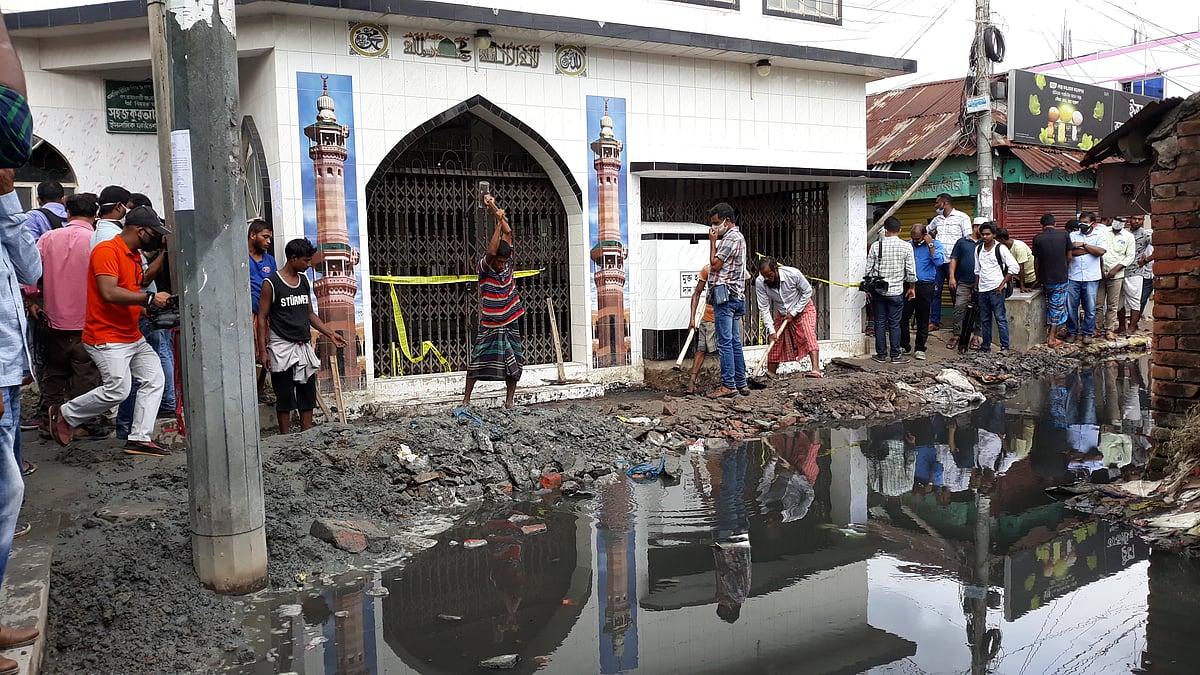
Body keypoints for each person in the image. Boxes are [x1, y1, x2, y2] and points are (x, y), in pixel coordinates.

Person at [47, 206, 173, 456]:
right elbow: (109, 292)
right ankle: (64, 413)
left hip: (130, 334)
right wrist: (148, 300)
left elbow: (131, 291)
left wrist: (154, 310)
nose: (156, 236)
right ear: (140, 230)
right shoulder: (107, 250)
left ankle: (139, 438)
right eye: (154, 232)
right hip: (106, 336)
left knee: (154, 378)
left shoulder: (134, 255)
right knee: (118, 389)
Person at [256, 238, 345, 434]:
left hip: (303, 344)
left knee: (307, 393)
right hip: (281, 346)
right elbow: (262, 318)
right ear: (293, 258)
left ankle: (307, 435)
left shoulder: (304, 281)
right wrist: (263, 351)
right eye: (305, 261)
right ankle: (285, 438)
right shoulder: (271, 284)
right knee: (285, 395)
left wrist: (330, 333)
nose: (309, 264)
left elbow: (310, 313)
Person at [34, 193, 102, 424]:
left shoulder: (48, 238)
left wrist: (31, 301)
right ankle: (81, 422)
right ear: (95, 215)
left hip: (53, 318)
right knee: (85, 373)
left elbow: (28, 275)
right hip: (88, 319)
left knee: (54, 371)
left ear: (68, 213)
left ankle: (48, 417)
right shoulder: (97, 241)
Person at [462, 194, 526, 409]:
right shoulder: (486, 266)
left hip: (510, 320)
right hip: (490, 323)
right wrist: (498, 222)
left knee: (514, 360)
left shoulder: (508, 261)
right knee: (479, 359)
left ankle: (509, 401)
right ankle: (466, 399)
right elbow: (491, 250)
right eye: (499, 262)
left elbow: (509, 233)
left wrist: (493, 208)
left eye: (503, 262)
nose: (501, 266)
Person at [705, 202, 749, 398]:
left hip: (726, 296)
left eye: (716, 223)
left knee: (725, 342)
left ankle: (728, 385)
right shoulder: (738, 238)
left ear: (727, 220)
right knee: (734, 342)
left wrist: (712, 242)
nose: (714, 227)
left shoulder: (730, 238)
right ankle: (741, 383)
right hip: (736, 296)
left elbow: (715, 265)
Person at [755, 256, 821, 377]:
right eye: (763, 275)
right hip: (783, 313)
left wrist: (794, 312)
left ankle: (816, 370)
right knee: (775, 341)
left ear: (776, 269)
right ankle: (771, 375)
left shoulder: (793, 274)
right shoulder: (760, 282)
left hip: (803, 307)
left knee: (807, 332)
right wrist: (771, 330)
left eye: (769, 275)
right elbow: (764, 307)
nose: (766, 278)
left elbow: (807, 292)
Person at [865, 216, 916, 364]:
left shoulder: (876, 246)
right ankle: (895, 355)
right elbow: (911, 272)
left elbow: (868, 271)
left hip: (878, 291)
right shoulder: (906, 247)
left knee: (879, 322)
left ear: (885, 230)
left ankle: (881, 355)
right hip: (896, 292)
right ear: (899, 230)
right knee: (895, 323)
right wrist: (912, 287)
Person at [901, 222, 944, 360]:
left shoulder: (936, 244)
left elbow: (939, 262)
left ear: (924, 235)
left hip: (925, 285)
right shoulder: (908, 245)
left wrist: (930, 245)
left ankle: (920, 348)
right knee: (904, 316)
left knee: (923, 317)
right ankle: (904, 345)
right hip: (908, 284)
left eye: (918, 238)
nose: (915, 241)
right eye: (913, 238)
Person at [973, 222, 1017, 353]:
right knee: (985, 319)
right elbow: (977, 270)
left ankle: (1005, 347)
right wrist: (975, 288)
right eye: (983, 234)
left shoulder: (1001, 248)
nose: (985, 236)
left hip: (996, 289)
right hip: (983, 290)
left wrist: (1002, 284)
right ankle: (985, 346)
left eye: (988, 234)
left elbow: (1014, 266)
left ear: (994, 235)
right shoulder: (978, 249)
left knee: (1000, 318)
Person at [929, 193, 971, 331]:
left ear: (944, 203)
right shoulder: (937, 220)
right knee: (935, 292)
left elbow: (968, 239)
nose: (935, 206)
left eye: (937, 203)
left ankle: (958, 325)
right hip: (938, 262)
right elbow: (926, 231)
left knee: (956, 293)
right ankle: (935, 322)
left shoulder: (962, 217)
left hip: (955, 263)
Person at [1031, 213, 1072, 347]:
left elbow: (1036, 261)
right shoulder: (1064, 235)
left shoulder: (1037, 238)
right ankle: (1051, 338)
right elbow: (1070, 256)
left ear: (1041, 225)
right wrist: (1062, 267)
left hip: (1045, 279)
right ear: (1055, 223)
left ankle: (1050, 333)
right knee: (1057, 307)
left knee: (1051, 306)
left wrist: (1038, 278)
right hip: (1060, 278)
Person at [1066, 211, 1106, 345]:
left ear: (1093, 223)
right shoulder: (1072, 235)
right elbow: (1070, 252)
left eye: (1086, 222)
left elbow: (1101, 252)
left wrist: (1083, 245)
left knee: (1090, 307)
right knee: (1071, 307)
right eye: (1081, 222)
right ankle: (1072, 332)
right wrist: (1091, 251)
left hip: (1091, 277)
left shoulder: (1099, 235)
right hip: (1074, 276)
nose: (1083, 225)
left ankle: (1087, 333)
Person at [248, 219, 276, 401]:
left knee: (264, 351)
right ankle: (248, 391)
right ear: (253, 235)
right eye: (265, 237)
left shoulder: (270, 260)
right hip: (247, 314)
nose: (268, 241)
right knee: (250, 352)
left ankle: (260, 390)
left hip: (266, 314)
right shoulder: (241, 258)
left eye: (270, 238)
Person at [1094, 217, 1135, 339]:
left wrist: (1116, 269)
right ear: (1112, 220)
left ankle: (1109, 329)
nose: (1119, 222)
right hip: (1100, 272)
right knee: (1098, 303)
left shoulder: (1128, 237)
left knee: (1113, 304)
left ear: (1125, 223)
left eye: (1122, 220)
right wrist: (1100, 268)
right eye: (1117, 219)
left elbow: (1130, 256)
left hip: (1117, 275)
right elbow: (1097, 250)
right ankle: (1097, 328)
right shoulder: (1102, 232)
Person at [946, 217, 983, 350]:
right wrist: (951, 277)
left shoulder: (986, 242)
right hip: (964, 282)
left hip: (982, 284)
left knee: (980, 310)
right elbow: (954, 260)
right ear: (974, 227)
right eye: (980, 227)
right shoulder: (962, 242)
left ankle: (977, 336)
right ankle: (957, 334)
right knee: (959, 307)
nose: (983, 231)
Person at [685, 264, 716, 395]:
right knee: (701, 349)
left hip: (729, 318)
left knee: (729, 349)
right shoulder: (708, 269)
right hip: (708, 317)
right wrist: (692, 318)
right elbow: (696, 294)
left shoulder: (735, 269)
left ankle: (733, 382)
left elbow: (745, 287)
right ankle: (692, 381)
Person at [1124, 215, 1152, 334]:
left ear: (1143, 220)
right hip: (1120, 271)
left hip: (1136, 272)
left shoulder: (1146, 234)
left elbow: (1162, 247)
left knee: (1136, 300)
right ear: (1129, 219)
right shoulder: (1124, 233)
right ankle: (1121, 326)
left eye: (1139, 219)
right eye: (1134, 218)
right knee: (1119, 302)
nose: (1136, 221)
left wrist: (1146, 260)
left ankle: (1132, 327)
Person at [89, 185, 134, 250]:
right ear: (118, 207)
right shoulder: (118, 237)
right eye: (129, 207)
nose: (130, 211)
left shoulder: (95, 233)